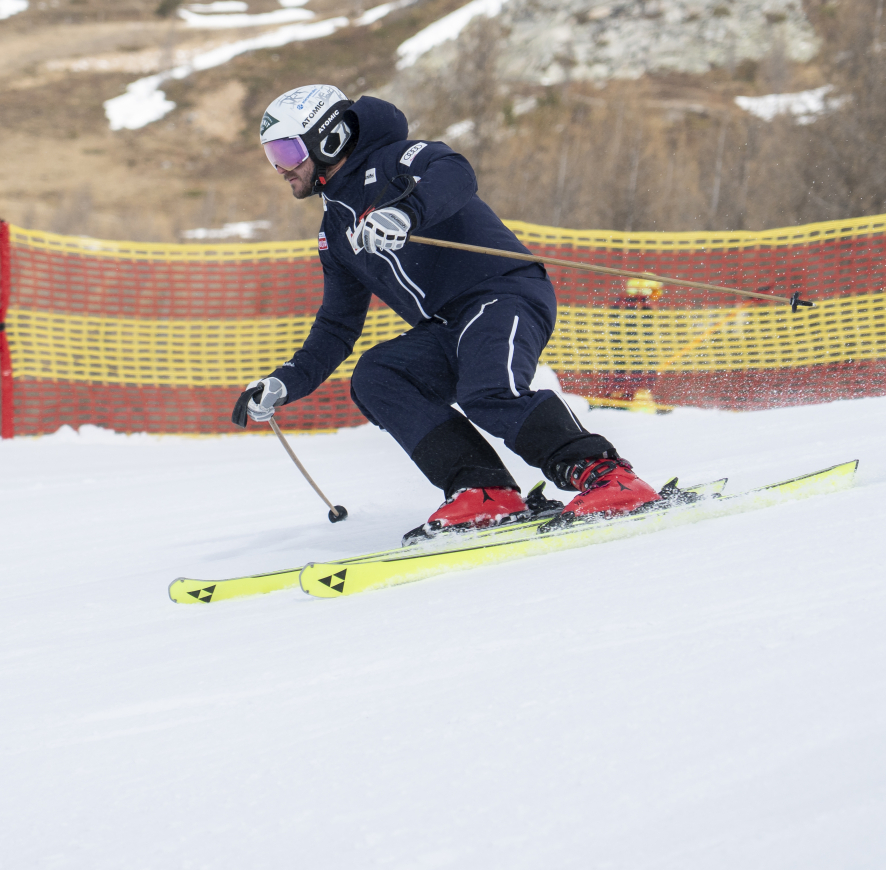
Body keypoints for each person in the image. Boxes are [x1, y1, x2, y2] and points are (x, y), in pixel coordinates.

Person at [231, 84, 660, 538]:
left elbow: (454, 172)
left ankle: (608, 476)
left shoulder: (396, 159)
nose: (281, 168)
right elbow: (338, 325)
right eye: (271, 155)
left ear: (329, 138)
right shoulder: (335, 231)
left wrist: (405, 213)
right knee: (379, 375)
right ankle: (483, 491)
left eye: (287, 151)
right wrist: (285, 381)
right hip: (447, 324)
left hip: (503, 293)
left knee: (487, 389)